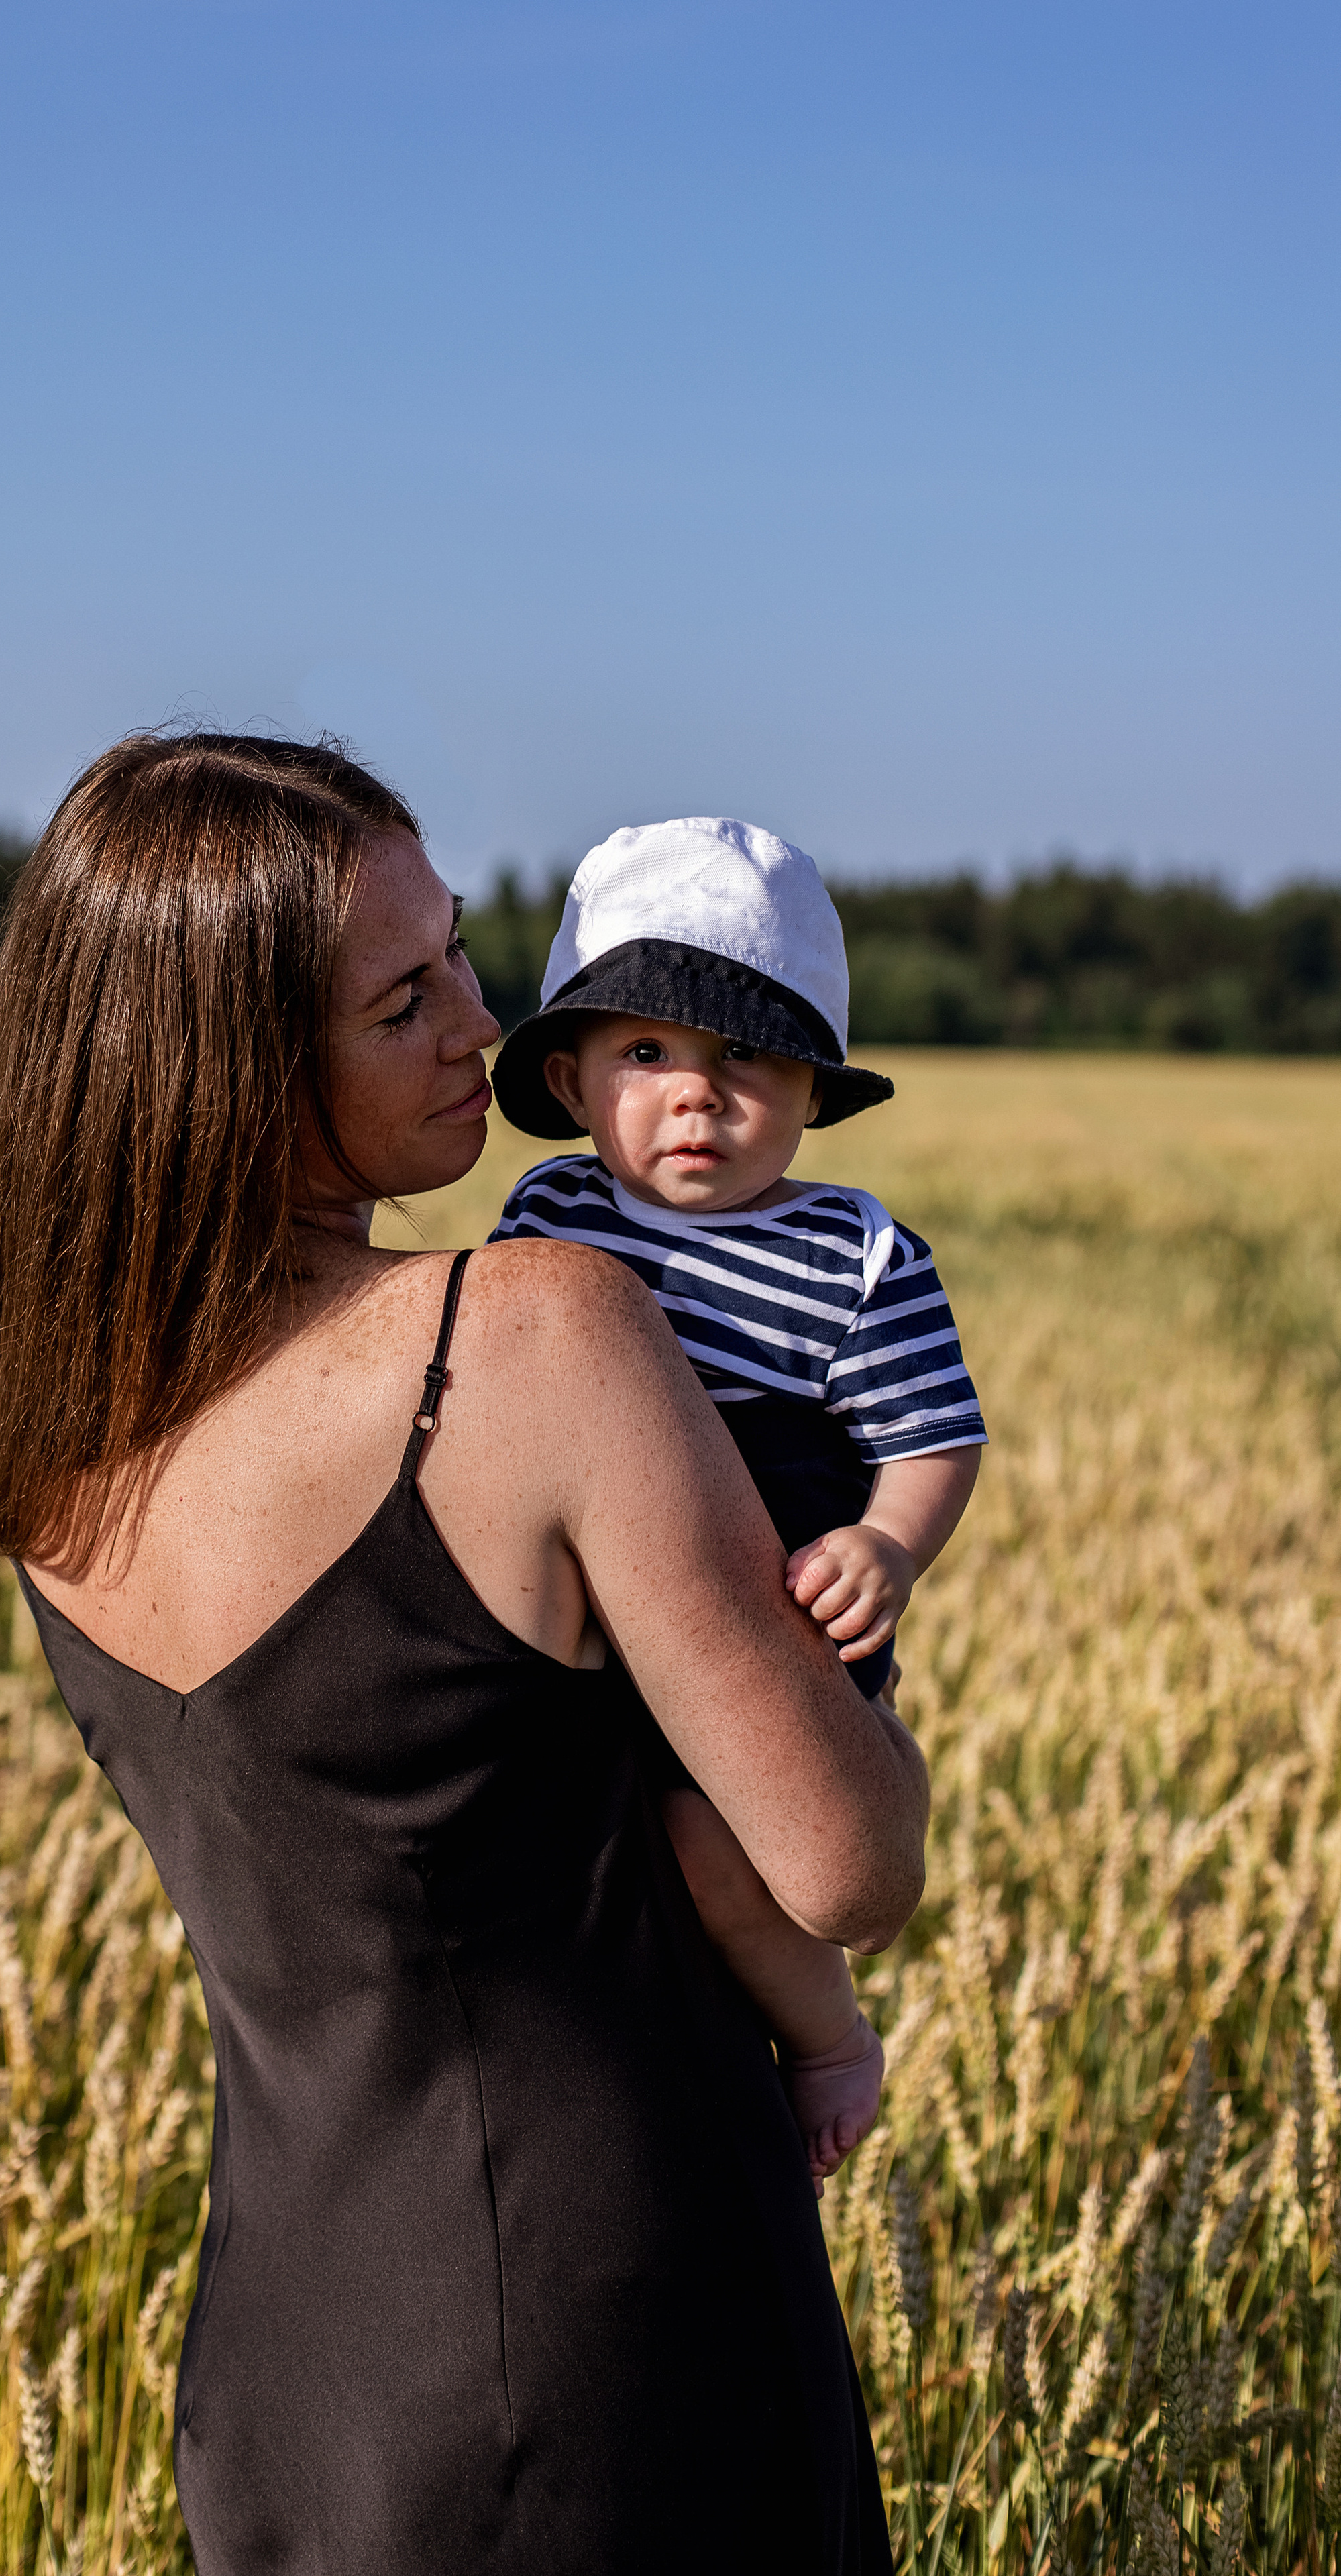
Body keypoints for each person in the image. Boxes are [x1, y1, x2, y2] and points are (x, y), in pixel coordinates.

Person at [0, 735, 927, 2576]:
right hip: (618, 2342)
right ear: (228, 1080)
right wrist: (862, 1664)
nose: (488, 1027)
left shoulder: (43, 1449)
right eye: (407, 1000)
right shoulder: (539, 1329)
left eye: (463, 952)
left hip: (291, 2361)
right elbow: (847, 1862)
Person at [489, 816, 985, 2187]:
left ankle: (825, 2038)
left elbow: (933, 1436)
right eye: (646, 1053)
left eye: (743, 1058)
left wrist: (887, 1543)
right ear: (570, 1077)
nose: (694, 1096)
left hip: (776, 1607)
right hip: (588, 1615)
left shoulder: (855, 1254)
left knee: (719, 1849)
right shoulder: (545, 1220)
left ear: (813, 1094)